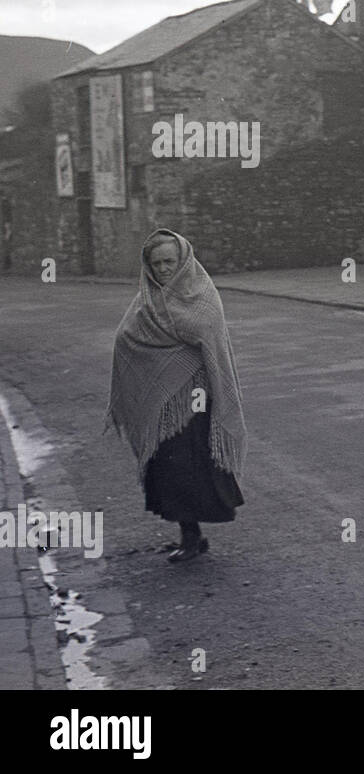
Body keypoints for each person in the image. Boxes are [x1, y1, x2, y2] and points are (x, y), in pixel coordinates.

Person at [106, 229, 247, 563]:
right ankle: (189, 533)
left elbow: (212, 345)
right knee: (168, 466)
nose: (163, 269)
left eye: (169, 261)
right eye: (156, 264)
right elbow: (126, 337)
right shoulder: (147, 300)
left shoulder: (203, 296)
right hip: (162, 404)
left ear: (183, 260)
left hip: (196, 398)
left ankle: (191, 535)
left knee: (190, 465)